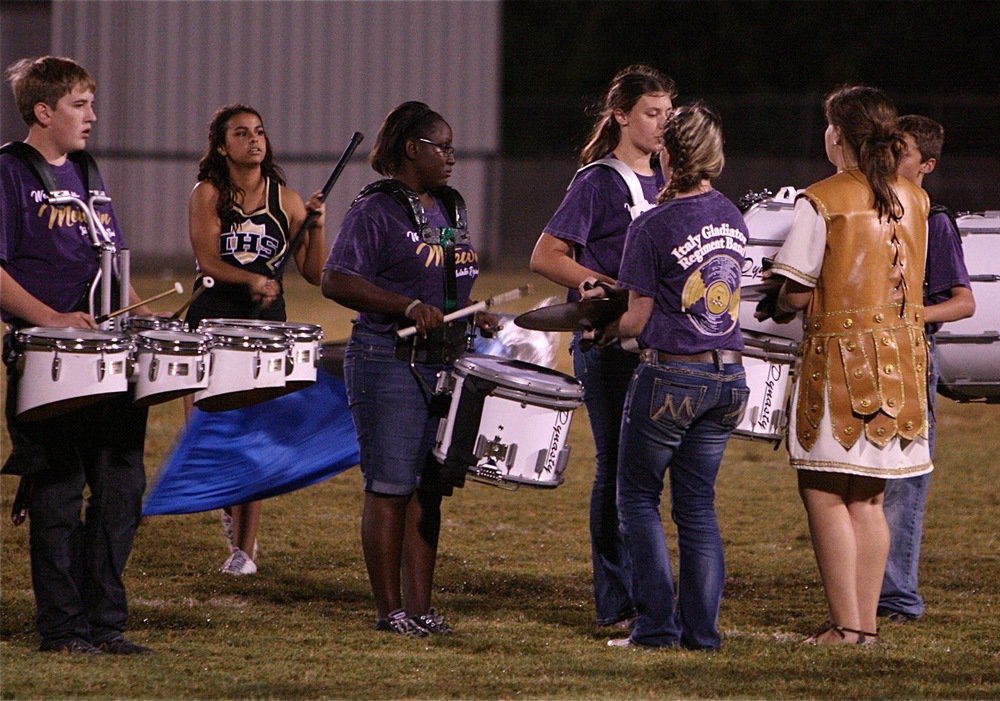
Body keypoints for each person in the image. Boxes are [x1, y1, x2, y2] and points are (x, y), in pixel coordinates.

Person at [322, 101, 498, 637]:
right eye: (440, 147)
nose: (451, 157)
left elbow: (448, 280)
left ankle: (421, 608)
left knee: (429, 485)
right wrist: (404, 305)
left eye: (452, 147)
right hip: (388, 360)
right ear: (410, 149)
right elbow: (335, 279)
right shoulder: (375, 210)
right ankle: (389, 610)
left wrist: (474, 311)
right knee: (390, 485)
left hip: (446, 362)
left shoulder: (451, 206)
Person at [766, 85, 931, 645]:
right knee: (871, 496)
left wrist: (778, 282)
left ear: (839, 135)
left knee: (824, 492)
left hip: (841, 364)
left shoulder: (822, 198)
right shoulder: (915, 197)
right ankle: (866, 626)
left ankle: (846, 626)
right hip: (902, 362)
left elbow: (794, 293)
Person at [1, 56, 153, 654]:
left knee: (121, 490)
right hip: (50, 360)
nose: (92, 115)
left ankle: (105, 623)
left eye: (91, 102)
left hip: (110, 358)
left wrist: (141, 311)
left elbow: (107, 261)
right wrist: (52, 318)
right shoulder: (10, 173)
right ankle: (63, 629)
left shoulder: (88, 171)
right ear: (44, 111)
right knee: (60, 494)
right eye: (79, 105)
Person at [595, 102, 748, 650]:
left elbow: (636, 320)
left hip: (673, 379)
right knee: (698, 508)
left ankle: (657, 627)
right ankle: (702, 633)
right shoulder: (732, 214)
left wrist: (604, 330)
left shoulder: (653, 224)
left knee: (636, 498)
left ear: (666, 151)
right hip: (729, 376)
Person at [529, 64, 675, 630]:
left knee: (647, 471)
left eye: (668, 114)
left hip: (657, 341)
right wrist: (599, 282)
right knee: (617, 468)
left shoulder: (669, 177)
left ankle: (650, 591)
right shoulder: (597, 180)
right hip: (607, 342)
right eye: (651, 113)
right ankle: (617, 600)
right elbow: (545, 256)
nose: (662, 124)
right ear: (620, 115)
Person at [184, 104, 327, 576]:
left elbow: (313, 272)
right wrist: (250, 281)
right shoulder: (207, 194)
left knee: (256, 436)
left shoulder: (285, 200)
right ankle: (229, 504)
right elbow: (208, 260)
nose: (254, 140)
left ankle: (242, 552)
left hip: (266, 329)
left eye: (260, 132)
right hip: (214, 322)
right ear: (223, 147)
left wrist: (318, 227)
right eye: (242, 134)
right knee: (209, 436)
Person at [877, 115, 975, 623]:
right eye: (889, 146)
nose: (893, 156)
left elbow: (963, 302)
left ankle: (897, 596)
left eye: (905, 150)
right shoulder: (877, 210)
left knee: (904, 480)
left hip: (913, 357)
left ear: (928, 165)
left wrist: (911, 315)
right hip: (872, 354)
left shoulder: (934, 220)